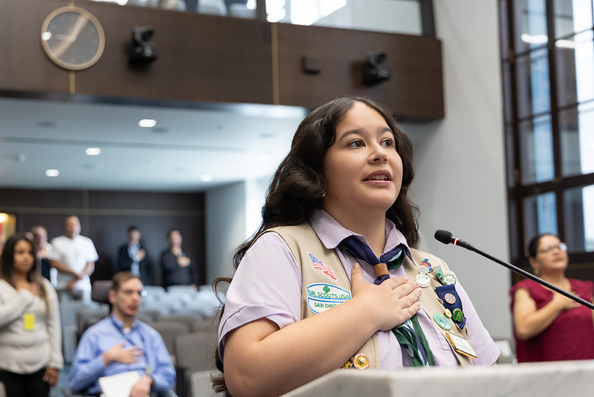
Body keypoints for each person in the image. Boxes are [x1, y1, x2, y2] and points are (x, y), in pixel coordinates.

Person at [213, 96, 499, 396]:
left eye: (388, 142)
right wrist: (366, 312)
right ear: (317, 171)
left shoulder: (433, 269)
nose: (380, 154)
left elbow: (490, 381)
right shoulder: (281, 249)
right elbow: (247, 376)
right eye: (355, 143)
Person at [68, 272, 175, 396]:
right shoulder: (94, 334)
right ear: (113, 296)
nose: (135, 298)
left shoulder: (151, 335)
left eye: (139, 293)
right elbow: (75, 382)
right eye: (128, 292)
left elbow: (169, 376)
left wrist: (149, 379)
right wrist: (106, 358)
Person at [510, 233, 594, 362]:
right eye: (547, 249)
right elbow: (523, 329)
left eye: (559, 247)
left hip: (586, 371)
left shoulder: (584, 288)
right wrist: (558, 304)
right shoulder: (526, 289)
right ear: (534, 261)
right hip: (546, 376)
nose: (556, 252)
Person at [0, 234, 63, 397]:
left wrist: (55, 362)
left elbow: (54, 325)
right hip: (7, 367)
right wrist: (24, 297)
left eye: (29, 253)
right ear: (9, 256)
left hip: (41, 364)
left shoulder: (44, 285)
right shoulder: (2, 286)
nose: (26, 257)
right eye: (20, 252)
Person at [50, 215, 98, 302]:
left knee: (85, 314)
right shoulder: (57, 242)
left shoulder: (87, 242)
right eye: (69, 224)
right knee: (64, 314)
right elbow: (54, 263)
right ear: (65, 227)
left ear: (79, 226)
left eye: (74, 224)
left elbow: (90, 265)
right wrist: (74, 273)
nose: (72, 227)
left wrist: (76, 280)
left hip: (83, 286)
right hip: (63, 286)